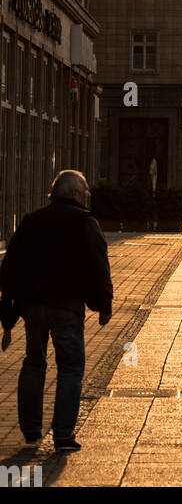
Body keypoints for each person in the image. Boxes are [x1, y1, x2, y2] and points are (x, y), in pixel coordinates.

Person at [0, 169, 113, 453]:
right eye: (86, 190)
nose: (88, 194)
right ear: (75, 193)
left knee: (33, 363)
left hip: (33, 306)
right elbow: (100, 265)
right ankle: (63, 435)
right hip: (67, 306)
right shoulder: (85, 222)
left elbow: (9, 268)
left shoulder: (31, 221)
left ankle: (31, 431)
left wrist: (8, 313)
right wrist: (104, 304)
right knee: (71, 368)